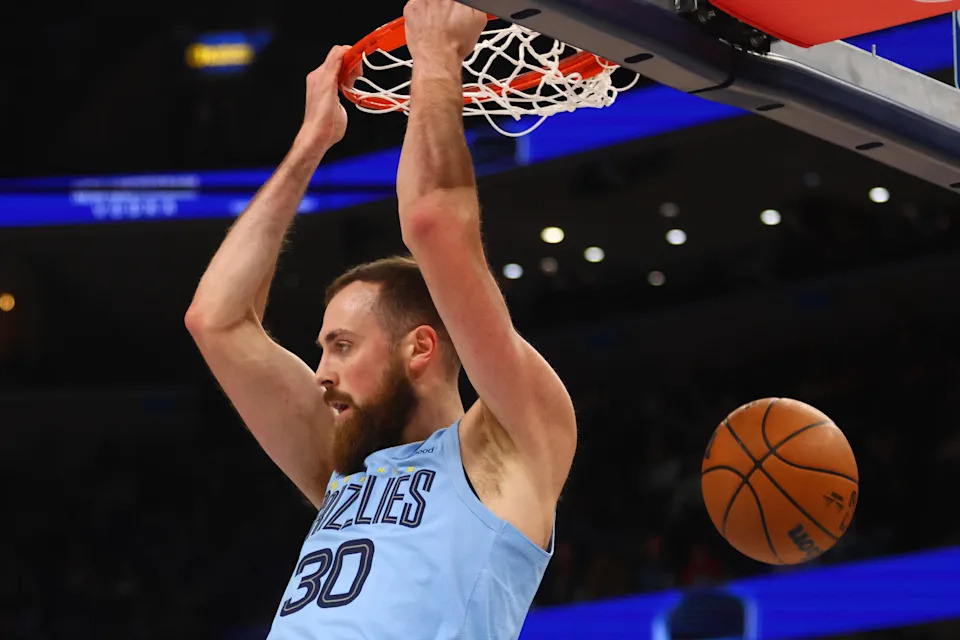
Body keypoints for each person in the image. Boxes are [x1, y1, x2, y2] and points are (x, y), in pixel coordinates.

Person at [183, 0, 578, 637]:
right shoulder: (344, 465)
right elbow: (216, 320)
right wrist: (311, 144)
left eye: (341, 346)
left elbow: (434, 226)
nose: (320, 373)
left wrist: (437, 62)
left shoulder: (506, 442)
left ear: (419, 348)